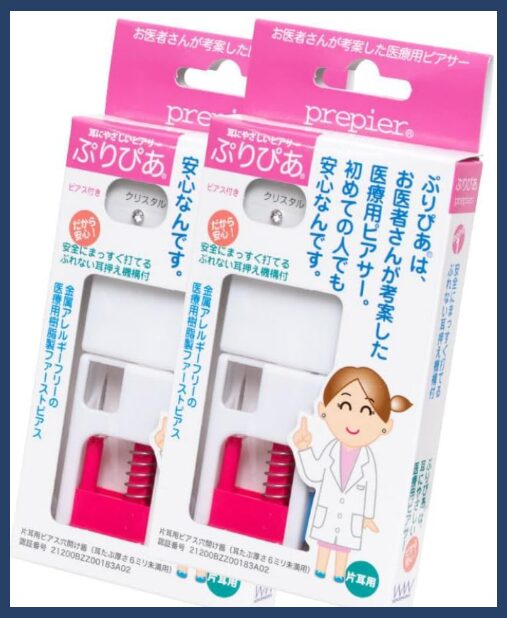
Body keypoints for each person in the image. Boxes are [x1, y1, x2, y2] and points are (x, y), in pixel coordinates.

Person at [292, 366, 412, 583]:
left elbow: (371, 486)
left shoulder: (368, 460)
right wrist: (304, 449)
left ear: (385, 426)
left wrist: (368, 515)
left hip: (351, 514)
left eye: (366, 411)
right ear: (323, 410)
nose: (354, 420)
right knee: (324, 543)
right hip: (329, 510)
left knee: (343, 547)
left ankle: (339, 575)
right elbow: (314, 473)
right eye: (345, 406)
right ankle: (319, 571)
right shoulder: (329, 450)